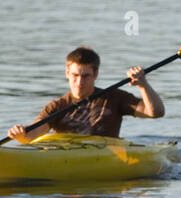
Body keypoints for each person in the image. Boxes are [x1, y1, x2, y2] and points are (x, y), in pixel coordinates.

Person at [7, 45, 165, 142]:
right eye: (75, 76)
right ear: (67, 73)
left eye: (85, 76)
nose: (79, 82)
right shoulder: (57, 107)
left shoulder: (115, 97)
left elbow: (155, 112)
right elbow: (34, 133)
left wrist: (143, 85)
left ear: (95, 75)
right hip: (67, 160)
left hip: (107, 158)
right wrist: (21, 134)